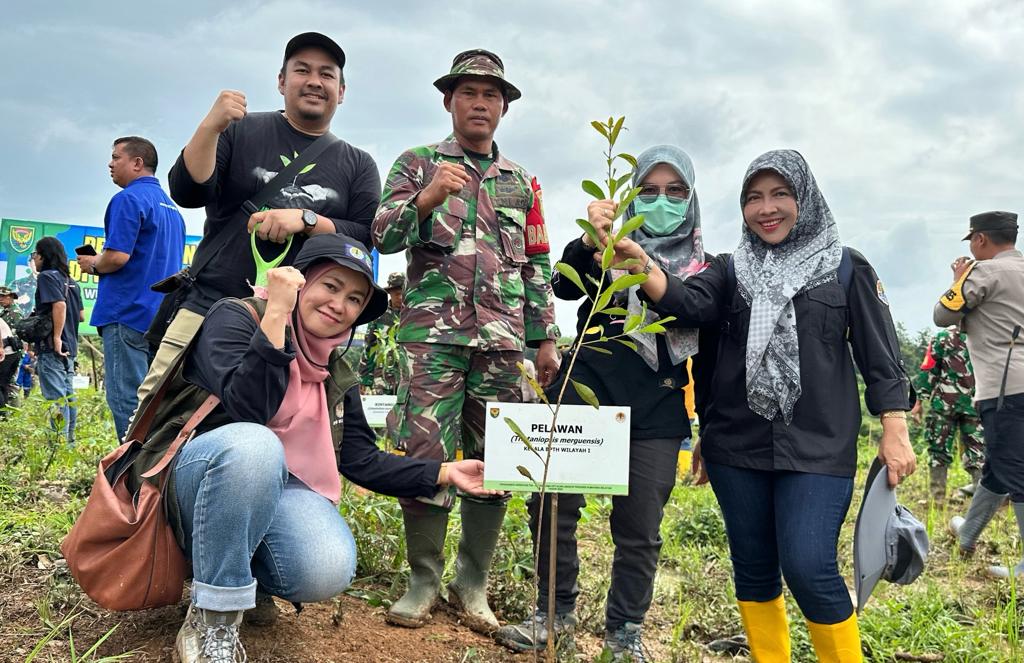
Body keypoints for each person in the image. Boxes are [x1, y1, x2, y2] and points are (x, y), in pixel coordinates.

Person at [119, 233, 495, 662]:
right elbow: (250, 407)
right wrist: (276, 314)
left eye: (354, 299)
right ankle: (213, 618)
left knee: (325, 564)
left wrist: (445, 473)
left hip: (271, 486)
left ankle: (244, 580)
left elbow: (361, 458)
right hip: (190, 481)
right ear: (300, 282)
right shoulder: (235, 318)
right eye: (330, 286)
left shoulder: (333, 366)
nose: (340, 305)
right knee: (254, 444)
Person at [606, 149, 916, 662]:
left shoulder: (844, 267)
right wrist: (643, 268)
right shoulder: (729, 271)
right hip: (736, 446)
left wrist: (895, 426)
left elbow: (879, 355)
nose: (765, 209)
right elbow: (689, 305)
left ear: (805, 199)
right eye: (753, 198)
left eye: (779, 195)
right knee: (752, 567)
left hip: (817, 445)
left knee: (809, 565)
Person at [495, 145, 713, 661]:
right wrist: (590, 237)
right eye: (650, 190)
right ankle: (553, 615)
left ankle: (624, 634)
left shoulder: (705, 267)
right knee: (552, 504)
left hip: (657, 406)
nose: (662, 200)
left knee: (639, 526)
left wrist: (644, 265)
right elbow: (561, 286)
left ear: (692, 198)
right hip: (583, 389)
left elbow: (696, 317)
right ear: (632, 194)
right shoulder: (603, 249)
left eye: (675, 191)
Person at [372, 49, 560, 633]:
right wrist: (426, 198)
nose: (480, 103)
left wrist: (544, 338)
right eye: (468, 93)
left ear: (503, 107)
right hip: (432, 339)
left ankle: (470, 582)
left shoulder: (521, 182)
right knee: (424, 455)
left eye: (491, 95)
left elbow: (536, 261)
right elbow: (382, 234)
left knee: (500, 461)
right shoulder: (416, 163)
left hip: (504, 345)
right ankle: (423, 580)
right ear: (449, 101)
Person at [136, 31, 381, 405]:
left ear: (342, 91)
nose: (315, 81)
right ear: (281, 82)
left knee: (279, 432)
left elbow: (365, 236)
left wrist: (306, 219)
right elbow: (188, 192)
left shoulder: (358, 164)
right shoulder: (239, 130)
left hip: (297, 329)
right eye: (302, 70)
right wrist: (209, 128)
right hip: (208, 306)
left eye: (327, 74)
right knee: (156, 413)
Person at [76, 136, 186, 442]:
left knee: (126, 400)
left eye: (116, 158)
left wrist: (93, 264)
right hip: (158, 316)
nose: (110, 164)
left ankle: (130, 476)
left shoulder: (127, 200)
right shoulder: (173, 210)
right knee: (153, 401)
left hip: (125, 313)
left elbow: (117, 257)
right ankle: (154, 469)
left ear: (137, 163)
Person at [938, 211, 1024, 578]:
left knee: (1015, 470)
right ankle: (968, 534)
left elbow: (943, 314)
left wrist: (959, 280)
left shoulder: (984, 273)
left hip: (1006, 388)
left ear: (980, 240)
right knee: (998, 467)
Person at [911, 327, 984, 504]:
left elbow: (929, 370)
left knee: (939, 449)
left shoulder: (942, 337)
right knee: (978, 451)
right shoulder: (984, 334)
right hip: (974, 403)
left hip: (945, 403)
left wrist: (919, 400)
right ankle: (982, 501)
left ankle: (938, 499)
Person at [31, 238, 84, 445]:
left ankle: (58, 443)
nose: (34, 259)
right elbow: (80, 316)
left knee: (55, 398)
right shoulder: (72, 282)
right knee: (68, 396)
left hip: (53, 347)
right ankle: (68, 443)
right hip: (70, 347)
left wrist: (55, 337)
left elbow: (59, 306)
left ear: (43, 256)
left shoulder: (46, 277)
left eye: (35, 255)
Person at [357, 271, 406, 395]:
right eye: (397, 294)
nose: (400, 297)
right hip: (382, 378)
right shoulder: (379, 315)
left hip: (407, 378)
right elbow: (369, 347)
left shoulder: (414, 316)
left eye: (403, 293)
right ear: (390, 293)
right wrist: (365, 379)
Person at [0, 285, 22, 407]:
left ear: (11, 297)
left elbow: (16, 335)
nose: (1, 299)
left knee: (11, 384)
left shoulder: (15, 313)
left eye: (3, 296)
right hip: (6, 351)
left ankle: (14, 411)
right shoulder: (4, 312)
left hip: (12, 352)